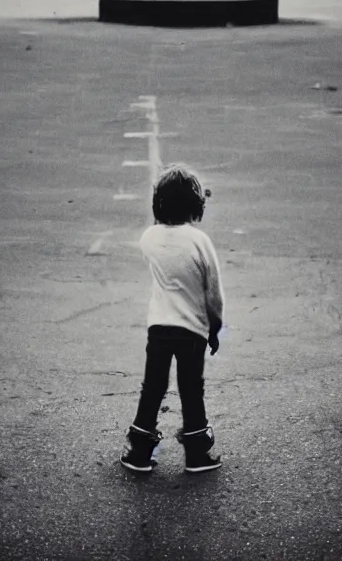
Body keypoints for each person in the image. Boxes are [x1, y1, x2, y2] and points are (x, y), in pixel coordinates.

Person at [120, 164, 225, 474]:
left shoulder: (149, 238)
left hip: (159, 328)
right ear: (196, 204)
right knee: (191, 389)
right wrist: (215, 328)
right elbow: (213, 294)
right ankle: (196, 455)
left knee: (152, 387)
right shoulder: (199, 241)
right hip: (192, 330)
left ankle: (138, 452)